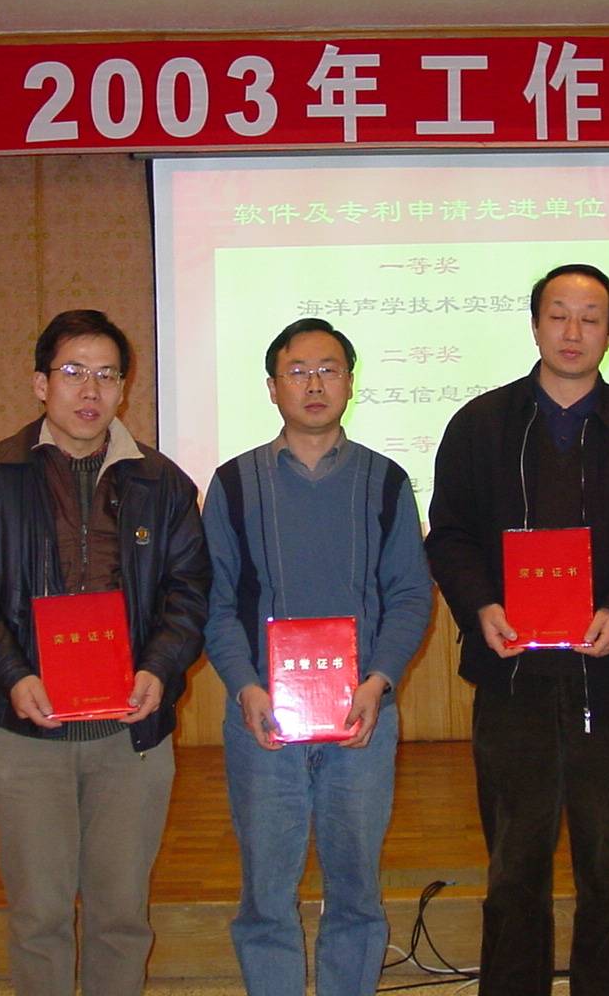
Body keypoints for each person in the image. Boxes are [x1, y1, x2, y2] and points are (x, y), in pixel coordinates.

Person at [426, 264, 609, 996]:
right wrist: (480, 605)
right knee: (514, 870)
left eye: (590, 317)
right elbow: (449, 534)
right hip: (512, 681)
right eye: (558, 314)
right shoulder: (480, 425)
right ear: (534, 324)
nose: (572, 331)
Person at [0, 309, 210, 996]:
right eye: (74, 372)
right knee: (39, 916)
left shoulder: (163, 483)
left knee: (121, 917)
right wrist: (12, 675)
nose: (91, 390)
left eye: (107, 375)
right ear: (40, 383)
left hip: (131, 736)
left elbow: (190, 592)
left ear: (124, 389)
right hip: (27, 733)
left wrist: (160, 667)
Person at [202, 317, 433, 996]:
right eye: (297, 371)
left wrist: (380, 681)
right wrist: (245, 687)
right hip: (262, 720)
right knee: (266, 892)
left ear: (350, 383)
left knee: (356, 889)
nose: (313, 384)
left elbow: (410, 595)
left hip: (362, 717)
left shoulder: (386, 481)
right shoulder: (234, 483)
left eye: (328, 370)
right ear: (272, 387)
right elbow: (215, 602)